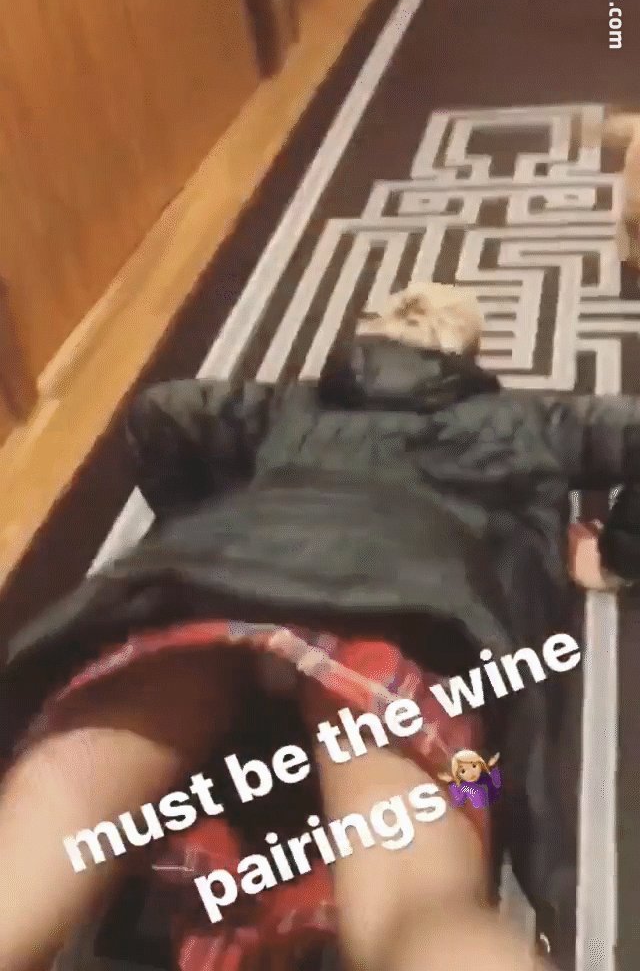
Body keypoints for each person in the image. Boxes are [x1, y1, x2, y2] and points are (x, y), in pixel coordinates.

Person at [3, 281, 640, 971]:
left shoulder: (292, 405)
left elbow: (159, 413)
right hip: (401, 610)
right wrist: (615, 557)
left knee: (68, 796)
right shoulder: (522, 419)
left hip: (220, 578)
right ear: (468, 357)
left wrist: (195, 518)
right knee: (412, 899)